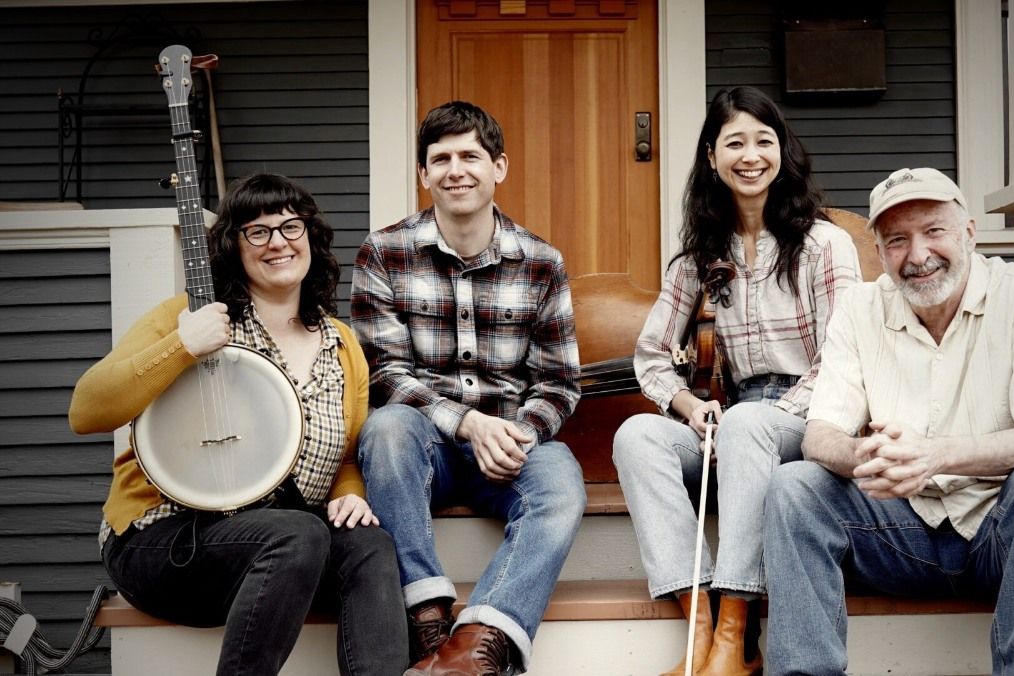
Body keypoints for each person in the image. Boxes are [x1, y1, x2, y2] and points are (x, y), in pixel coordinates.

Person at [69, 173, 407, 675]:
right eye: (258, 230)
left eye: (291, 227)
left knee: (369, 545)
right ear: (234, 244)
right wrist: (182, 346)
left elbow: (349, 457)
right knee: (299, 534)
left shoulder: (340, 344)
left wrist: (351, 489)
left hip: (280, 552)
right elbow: (86, 410)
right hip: (164, 543)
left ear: (312, 238)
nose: (278, 243)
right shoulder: (191, 316)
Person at [763, 167, 1014, 675]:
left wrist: (935, 455)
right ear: (879, 250)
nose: (917, 256)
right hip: (898, 533)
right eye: (898, 240)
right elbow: (820, 435)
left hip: (999, 536)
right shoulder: (860, 307)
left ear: (969, 232)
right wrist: (868, 456)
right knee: (795, 485)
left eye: (934, 231)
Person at [611, 86, 862, 676]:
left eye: (764, 141)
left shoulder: (826, 243)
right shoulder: (699, 257)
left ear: (782, 152)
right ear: (711, 157)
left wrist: (772, 413)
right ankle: (698, 622)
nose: (750, 156)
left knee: (751, 420)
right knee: (637, 437)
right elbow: (650, 357)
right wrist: (689, 405)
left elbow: (846, 359)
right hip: (735, 425)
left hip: (812, 417)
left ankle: (736, 630)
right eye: (735, 143)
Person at [351, 100, 585, 676]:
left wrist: (515, 433)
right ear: (423, 175)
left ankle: (476, 646)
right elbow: (383, 373)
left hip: (509, 445)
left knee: (562, 484)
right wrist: (466, 423)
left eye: (470, 156)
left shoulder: (541, 262)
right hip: (423, 446)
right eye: (441, 159)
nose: (456, 169)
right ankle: (427, 615)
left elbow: (559, 381)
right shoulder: (383, 253)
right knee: (385, 428)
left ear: (499, 167)